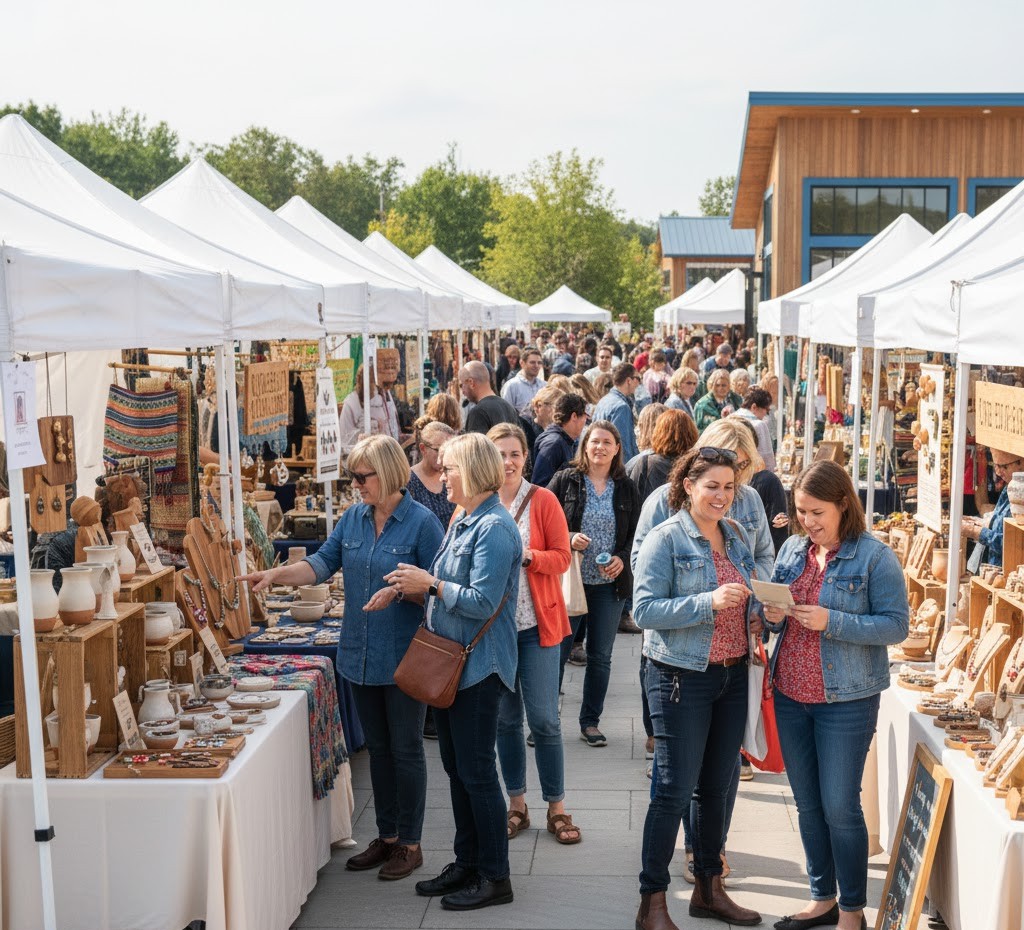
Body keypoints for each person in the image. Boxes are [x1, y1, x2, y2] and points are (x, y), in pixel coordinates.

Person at [239, 436, 444, 881]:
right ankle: (387, 836)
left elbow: (436, 592)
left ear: (388, 474)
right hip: (359, 655)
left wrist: (402, 591)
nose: (354, 484)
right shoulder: (352, 519)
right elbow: (320, 564)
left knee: (407, 750)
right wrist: (276, 573)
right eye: (353, 475)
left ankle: (410, 843)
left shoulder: (423, 524)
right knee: (381, 749)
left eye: (361, 476)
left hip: (405, 657)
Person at [762, 461, 909, 930]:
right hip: (790, 693)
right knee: (807, 803)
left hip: (846, 700)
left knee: (841, 806)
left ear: (844, 504)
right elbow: (772, 618)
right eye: (802, 511)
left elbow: (896, 625)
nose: (808, 521)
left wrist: (834, 622)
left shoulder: (874, 557)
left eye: (817, 511)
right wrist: (772, 615)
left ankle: (851, 912)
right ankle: (821, 898)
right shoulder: (791, 550)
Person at [384, 433, 522, 911]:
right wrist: (410, 586)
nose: (441, 477)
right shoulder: (464, 518)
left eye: (449, 469)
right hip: (449, 662)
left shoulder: (495, 527)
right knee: (458, 769)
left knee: (478, 772)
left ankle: (496, 876)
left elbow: (483, 601)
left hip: (479, 666)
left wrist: (432, 583)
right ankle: (468, 862)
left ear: (473, 471)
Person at [633, 446, 763, 929]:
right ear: (688, 485)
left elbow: (747, 597)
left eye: (729, 487)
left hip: (731, 674)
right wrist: (707, 600)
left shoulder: (737, 535)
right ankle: (652, 901)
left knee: (716, 787)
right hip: (678, 676)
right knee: (672, 789)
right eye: (712, 486)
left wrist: (760, 613)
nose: (722, 496)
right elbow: (644, 610)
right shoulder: (666, 539)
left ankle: (710, 889)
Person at [487, 425, 581, 847]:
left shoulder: (542, 500)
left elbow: (562, 557)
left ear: (526, 456)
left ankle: (557, 807)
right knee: (506, 720)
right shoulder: (479, 503)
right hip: (495, 632)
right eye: (500, 454)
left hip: (538, 626)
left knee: (544, 719)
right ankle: (517, 804)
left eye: (515, 454)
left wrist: (527, 556)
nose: (508, 462)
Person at [548, 421, 640, 746]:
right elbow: (544, 524)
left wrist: (622, 558)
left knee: (600, 656)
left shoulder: (626, 488)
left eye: (607, 442)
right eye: (594, 441)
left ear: (617, 448)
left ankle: (590, 722)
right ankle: (546, 722)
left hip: (608, 585)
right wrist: (569, 537)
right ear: (585, 446)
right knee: (557, 652)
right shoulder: (566, 480)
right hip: (569, 581)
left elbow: (634, 537)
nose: (600, 447)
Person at [962, 446, 1023, 570]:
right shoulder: (1010, 487)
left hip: (1010, 569)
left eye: (1004, 467)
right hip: (994, 566)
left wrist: (976, 532)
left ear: (1021, 463)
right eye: (996, 466)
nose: (998, 473)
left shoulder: (1019, 491)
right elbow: (1001, 523)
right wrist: (981, 523)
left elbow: (1015, 543)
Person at [626, 409, 698, 505]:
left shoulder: (647, 463)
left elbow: (631, 498)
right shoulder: (696, 464)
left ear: (659, 433)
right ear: (691, 433)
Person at [532, 392, 588, 488]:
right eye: (584, 415)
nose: (586, 420)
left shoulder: (568, 441)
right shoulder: (553, 444)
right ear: (574, 416)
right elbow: (540, 485)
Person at [340, 364, 401, 451]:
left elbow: (393, 427)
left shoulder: (385, 396)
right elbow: (345, 439)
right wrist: (363, 435)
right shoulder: (351, 402)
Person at [408, 421, 457, 528]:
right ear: (423, 449)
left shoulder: (454, 477)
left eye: (449, 450)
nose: (444, 456)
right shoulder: (407, 480)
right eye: (438, 450)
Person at [592, 363, 641, 463]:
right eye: (637, 378)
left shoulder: (604, 400)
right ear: (628, 380)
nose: (638, 383)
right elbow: (623, 447)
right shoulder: (621, 407)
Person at [460, 361, 519, 434]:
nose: (462, 391)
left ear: (471, 382)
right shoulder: (509, 407)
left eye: (461, 385)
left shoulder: (478, 412)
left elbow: (477, 445)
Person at [731, 387, 777, 472]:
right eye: (766, 410)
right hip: (752, 475)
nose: (766, 414)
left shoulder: (729, 418)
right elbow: (767, 458)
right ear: (754, 407)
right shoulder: (759, 425)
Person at [501, 347, 546, 419]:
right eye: (532, 362)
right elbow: (506, 414)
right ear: (522, 363)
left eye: (539, 363)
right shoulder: (511, 386)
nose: (537, 366)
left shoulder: (544, 386)